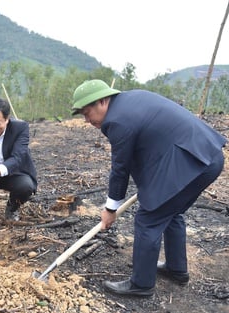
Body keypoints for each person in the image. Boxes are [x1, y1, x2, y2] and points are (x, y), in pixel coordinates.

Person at [71, 79, 226, 297]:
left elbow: (121, 167)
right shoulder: (131, 101)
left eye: (87, 113)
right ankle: (176, 269)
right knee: (171, 212)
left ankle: (141, 284)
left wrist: (111, 208)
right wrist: (148, 188)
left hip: (193, 163)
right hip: (207, 157)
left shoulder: (117, 121)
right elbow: (144, 152)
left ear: (103, 101)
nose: (87, 120)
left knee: (148, 218)